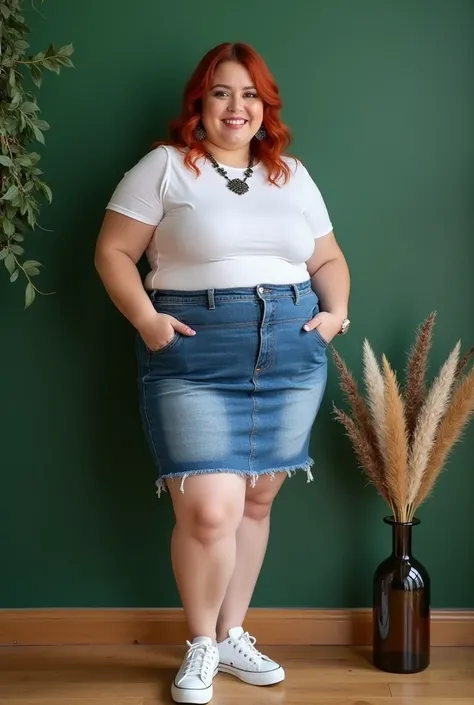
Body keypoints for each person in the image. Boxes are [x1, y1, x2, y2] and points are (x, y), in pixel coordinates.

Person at [94, 41, 350, 705]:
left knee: (257, 499)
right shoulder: (164, 168)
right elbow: (114, 252)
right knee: (211, 510)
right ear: (198, 105)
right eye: (221, 93)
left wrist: (336, 311)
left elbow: (328, 259)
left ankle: (234, 632)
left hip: (292, 353)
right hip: (196, 351)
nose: (236, 106)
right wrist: (149, 322)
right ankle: (201, 643)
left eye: (249, 94)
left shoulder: (290, 175)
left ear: (266, 108)